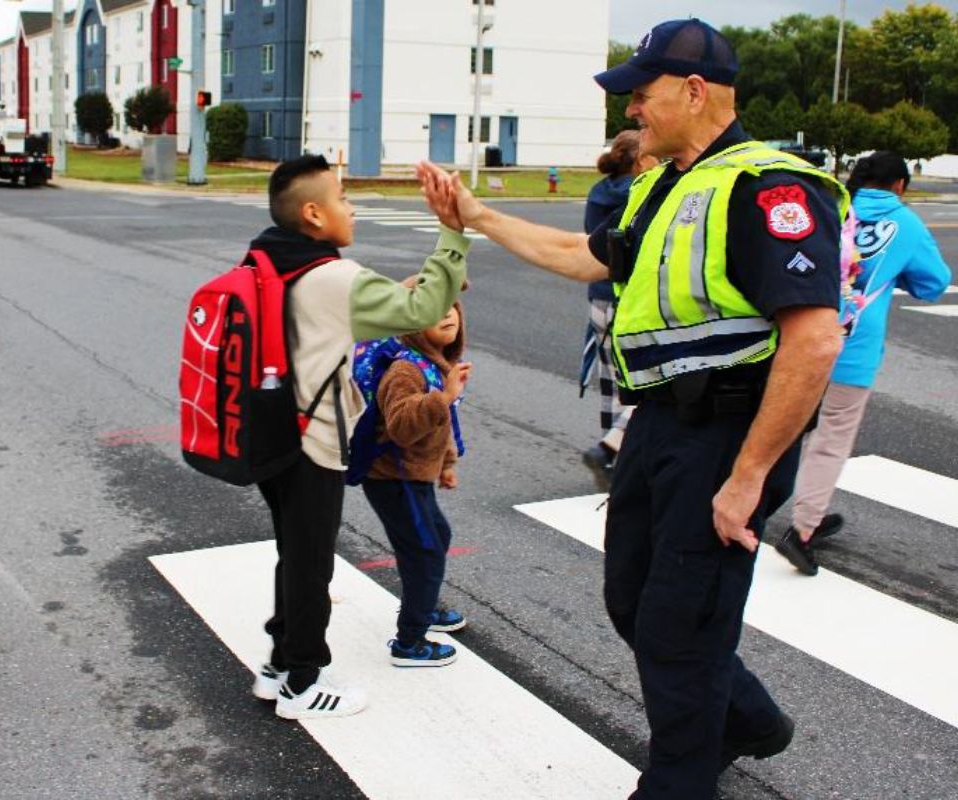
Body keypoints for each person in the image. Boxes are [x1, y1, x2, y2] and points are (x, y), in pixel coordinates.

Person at [417, 18, 847, 799]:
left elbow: (815, 341)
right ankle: (748, 721)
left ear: (693, 91)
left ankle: (678, 782)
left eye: (641, 96)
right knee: (632, 602)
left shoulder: (768, 187)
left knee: (682, 632)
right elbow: (584, 256)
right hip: (657, 427)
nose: (630, 114)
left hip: (728, 434)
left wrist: (749, 476)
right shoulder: (663, 182)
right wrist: (475, 217)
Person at [248, 155, 470, 720]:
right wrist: (452, 231)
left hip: (269, 438)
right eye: (344, 199)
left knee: (293, 556)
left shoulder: (264, 261)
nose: (352, 209)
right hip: (313, 443)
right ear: (315, 213)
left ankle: (277, 665)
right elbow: (423, 306)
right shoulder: (335, 277)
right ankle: (302, 681)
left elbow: (336, 321)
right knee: (312, 563)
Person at [774, 151, 952, 575]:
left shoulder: (830, 206)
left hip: (798, 334)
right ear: (900, 186)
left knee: (779, 425)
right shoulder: (906, 224)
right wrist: (893, 273)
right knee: (833, 435)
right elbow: (934, 282)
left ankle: (746, 504)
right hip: (851, 346)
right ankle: (802, 530)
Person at [359, 300, 471, 668]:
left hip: (413, 477)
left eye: (452, 307)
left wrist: (446, 465)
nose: (447, 314)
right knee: (425, 551)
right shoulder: (406, 369)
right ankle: (409, 643)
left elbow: (442, 426)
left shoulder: (436, 363)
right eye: (433, 309)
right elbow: (403, 426)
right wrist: (445, 396)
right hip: (394, 478)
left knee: (436, 538)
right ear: (410, 322)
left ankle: (423, 605)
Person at [580, 130, 657, 489]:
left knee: (611, 383)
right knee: (645, 382)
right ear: (641, 160)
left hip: (598, 294)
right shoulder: (637, 194)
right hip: (627, 296)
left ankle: (613, 461)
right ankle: (611, 448)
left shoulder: (600, 192)